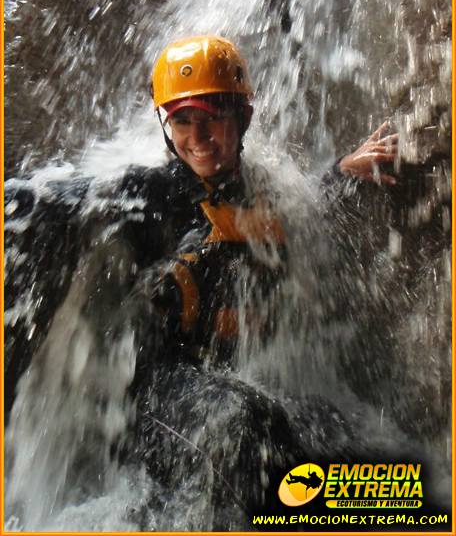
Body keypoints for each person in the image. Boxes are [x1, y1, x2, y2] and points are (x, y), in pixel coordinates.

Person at [4, 35, 400, 525]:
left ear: (244, 119)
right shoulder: (148, 194)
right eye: (183, 120)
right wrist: (21, 204)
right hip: (147, 398)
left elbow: (302, 211)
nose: (199, 135)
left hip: (224, 378)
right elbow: (55, 201)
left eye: (213, 115)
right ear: (167, 128)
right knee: (237, 422)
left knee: (339, 436)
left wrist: (342, 170)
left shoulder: (262, 186)